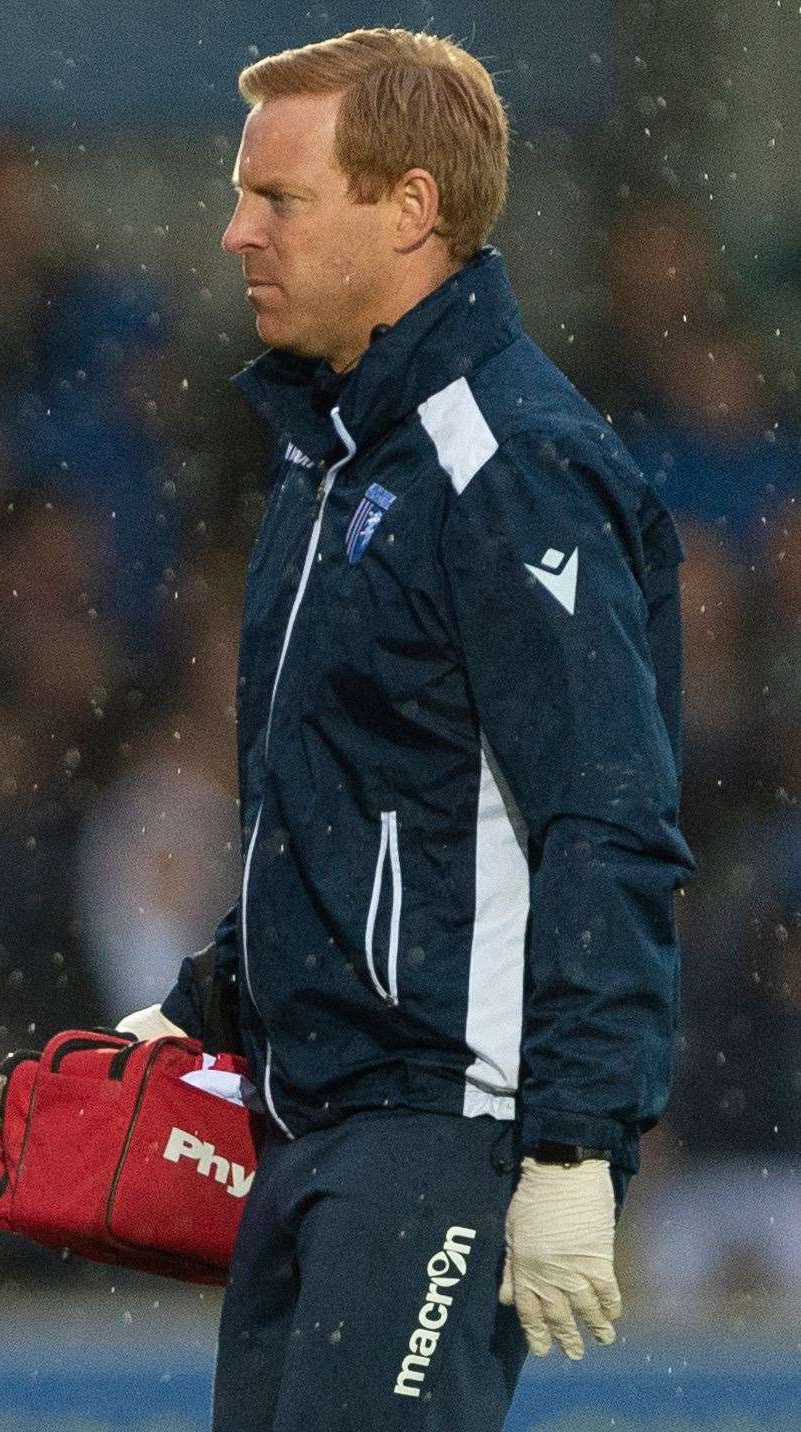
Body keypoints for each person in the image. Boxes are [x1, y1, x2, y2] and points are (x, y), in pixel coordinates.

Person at [115, 30, 691, 1431]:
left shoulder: (507, 464)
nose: (233, 229)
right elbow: (340, 796)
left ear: (410, 210)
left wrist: (570, 1142)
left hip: (441, 1125)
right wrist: (204, 1009)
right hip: (317, 1119)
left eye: (278, 198)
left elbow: (603, 813)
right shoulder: (339, 458)